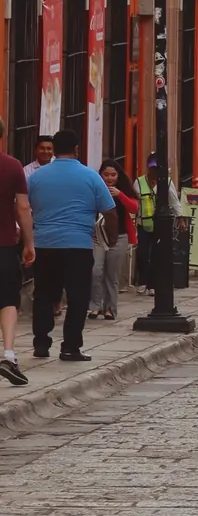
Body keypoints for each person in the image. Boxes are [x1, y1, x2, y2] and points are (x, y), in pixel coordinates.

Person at [27, 130, 117, 362]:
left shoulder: (37, 177)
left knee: (44, 294)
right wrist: (112, 237)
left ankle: (41, 343)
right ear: (77, 148)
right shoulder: (90, 176)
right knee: (78, 297)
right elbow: (110, 211)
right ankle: (70, 347)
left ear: (54, 150)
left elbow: (24, 207)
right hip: (78, 245)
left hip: (45, 244)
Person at [0, 118, 34, 387]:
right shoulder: (12, 166)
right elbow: (23, 208)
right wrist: (29, 243)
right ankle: (9, 354)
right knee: (8, 300)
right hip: (4, 244)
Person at [89, 161, 138, 321]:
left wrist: (120, 195)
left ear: (118, 176)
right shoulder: (95, 188)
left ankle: (110, 308)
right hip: (98, 235)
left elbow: (134, 208)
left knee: (112, 274)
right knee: (95, 271)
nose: (109, 178)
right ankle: (95, 306)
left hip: (120, 236)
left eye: (113, 175)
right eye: (106, 175)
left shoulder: (123, 190)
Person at [133, 155, 183, 292]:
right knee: (142, 254)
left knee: (157, 254)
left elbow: (174, 201)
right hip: (143, 223)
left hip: (161, 224)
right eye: (152, 168)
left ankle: (152, 284)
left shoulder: (166, 182)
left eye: (157, 168)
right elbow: (134, 203)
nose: (155, 171)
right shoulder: (139, 182)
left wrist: (180, 218)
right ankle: (142, 280)